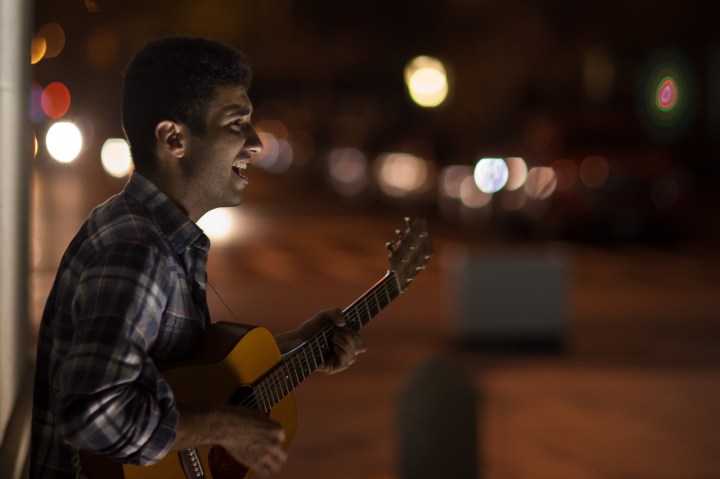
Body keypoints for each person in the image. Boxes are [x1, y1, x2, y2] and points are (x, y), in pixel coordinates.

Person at [30, 35, 367, 479]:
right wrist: (223, 427)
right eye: (235, 124)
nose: (255, 144)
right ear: (174, 139)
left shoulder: (152, 233)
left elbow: (185, 373)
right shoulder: (137, 251)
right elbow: (92, 413)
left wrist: (300, 344)